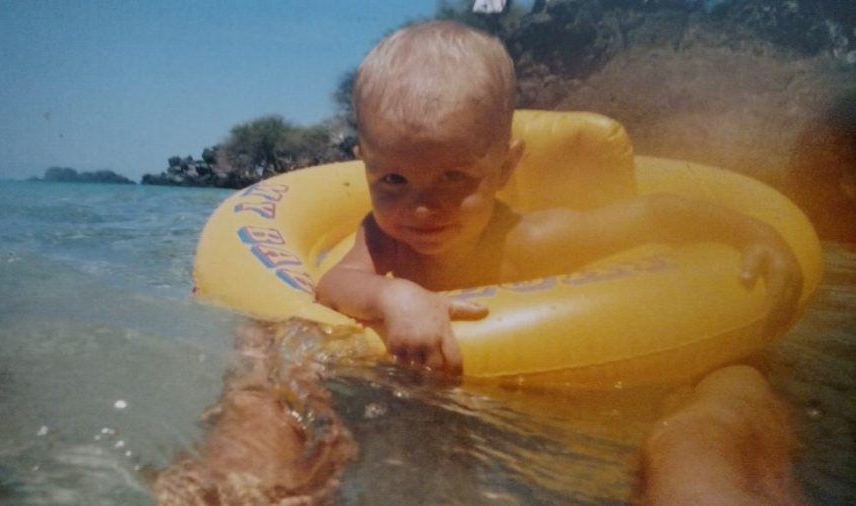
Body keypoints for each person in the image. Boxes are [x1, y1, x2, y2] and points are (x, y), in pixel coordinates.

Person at [315, 21, 803, 373]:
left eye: (453, 178)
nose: (419, 209)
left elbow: (654, 217)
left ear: (505, 168)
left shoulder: (536, 240)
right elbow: (335, 283)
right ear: (366, 164)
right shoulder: (382, 236)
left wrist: (749, 232)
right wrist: (393, 293)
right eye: (393, 181)